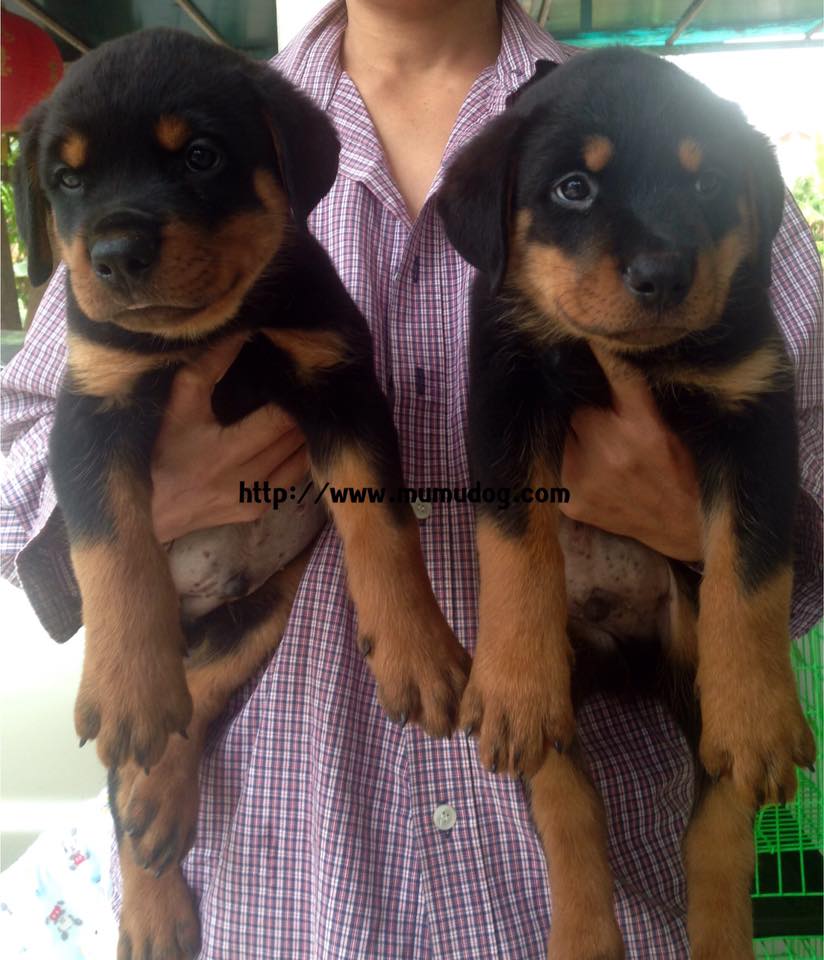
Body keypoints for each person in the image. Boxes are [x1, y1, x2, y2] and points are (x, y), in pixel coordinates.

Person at [1, 1, 821, 956]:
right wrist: (143, 518)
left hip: (601, 889)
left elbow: (800, 450)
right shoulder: (218, 116)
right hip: (283, 892)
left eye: (198, 164)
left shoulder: (688, 126)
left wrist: (699, 523)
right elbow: (24, 451)